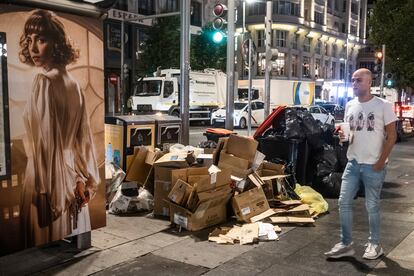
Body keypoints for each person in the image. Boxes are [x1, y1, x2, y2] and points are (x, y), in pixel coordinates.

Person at [19, 9, 100, 247]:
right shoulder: (73, 84)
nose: (33, 48)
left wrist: (46, 190)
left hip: (44, 179)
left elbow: (45, 144)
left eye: (41, 40)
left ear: (56, 43)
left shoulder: (44, 81)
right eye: (30, 40)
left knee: (39, 242)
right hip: (71, 178)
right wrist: (82, 178)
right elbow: (83, 142)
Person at [324, 68, 398, 260]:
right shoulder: (350, 105)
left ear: (369, 83)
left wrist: (381, 161)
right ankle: (346, 243)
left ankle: (375, 244)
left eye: (358, 81)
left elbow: (392, 136)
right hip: (353, 162)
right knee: (343, 202)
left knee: (372, 206)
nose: (354, 84)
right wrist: (342, 136)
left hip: (374, 164)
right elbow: (349, 135)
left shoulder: (383, 105)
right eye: (353, 81)